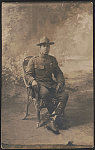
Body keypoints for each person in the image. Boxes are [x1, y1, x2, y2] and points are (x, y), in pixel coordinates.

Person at [26, 36, 69, 134]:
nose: (46, 48)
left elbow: (58, 73)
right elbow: (28, 75)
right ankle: (55, 117)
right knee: (45, 93)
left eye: (48, 46)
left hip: (50, 84)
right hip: (39, 86)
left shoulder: (52, 60)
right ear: (40, 47)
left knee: (64, 95)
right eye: (44, 46)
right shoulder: (33, 60)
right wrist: (32, 81)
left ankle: (54, 116)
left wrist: (60, 83)